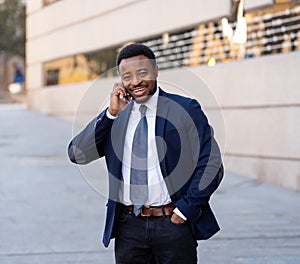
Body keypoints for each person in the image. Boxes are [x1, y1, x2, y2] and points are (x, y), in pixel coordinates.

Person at [68, 43, 224, 264]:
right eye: (127, 76)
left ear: (155, 71)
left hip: (172, 223)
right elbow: (77, 153)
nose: (136, 82)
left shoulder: (185, 109)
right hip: (128, 227)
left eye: (142, 73)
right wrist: (111, 114)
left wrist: (186, 209)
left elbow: (211, 164)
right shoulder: (117, 115)